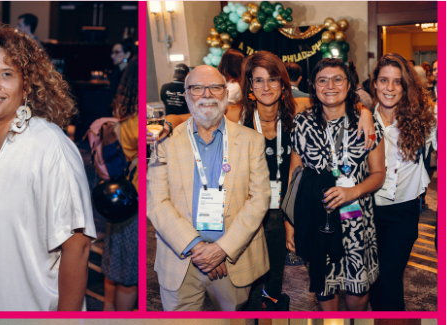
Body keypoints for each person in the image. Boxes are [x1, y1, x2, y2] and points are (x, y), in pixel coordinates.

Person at [0, 25, 96, 311]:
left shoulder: (49, 146)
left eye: (6, 74)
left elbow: (77, 248)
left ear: (27, 84)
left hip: (31, 316)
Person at [148, 64, 271, 311]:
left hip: (233, 261)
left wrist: (221, 249)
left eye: (215, 87)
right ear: (186, 95)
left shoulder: (251, 141)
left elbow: (259, 199)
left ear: (225, 93)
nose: (207, 94)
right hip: (180, 259)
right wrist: (197, 247)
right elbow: (156, 202)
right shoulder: (165, 142)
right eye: (197, 88)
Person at [288, 58, 385, 311]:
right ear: (314, 86)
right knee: (324, 287)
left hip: (356, 221)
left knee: (358, 292)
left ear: (350, 84)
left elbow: (378, 174)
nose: (330, 85)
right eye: (322, 80)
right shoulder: (301, 123)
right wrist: (290, 221)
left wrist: (352, 191)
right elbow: (294, 175)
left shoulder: (366, 124)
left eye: (338, 79)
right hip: (316, 219)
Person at [370, 53, 436, 311]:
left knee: (390, 278)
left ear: (406, 86)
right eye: (384, 80)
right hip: (367, 209)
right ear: (374, 83)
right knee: (373, 280)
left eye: (397, 82)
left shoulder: (425, 119)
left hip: (404, 211)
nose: (389, 87)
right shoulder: (361, 119)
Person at [102, 58, 139, 311]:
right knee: (128, 278)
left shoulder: (119, 117)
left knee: (113, 269)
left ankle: (107, 314)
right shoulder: (140, 123)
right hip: (133, 203)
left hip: (115, 200)